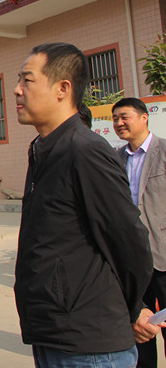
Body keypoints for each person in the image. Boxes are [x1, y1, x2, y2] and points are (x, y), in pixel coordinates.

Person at [13, 42, 152, 367]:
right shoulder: (45, 150)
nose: (17, 90)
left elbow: (128, 240)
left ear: (62, 88)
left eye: (27, 80)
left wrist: (133, 307)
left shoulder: (85, 151)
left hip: (89, 343)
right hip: (53, 331)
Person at [112, 97, 166, 368]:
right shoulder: (115, 158)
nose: (119, 123)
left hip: (164, 255)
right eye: (115, 119)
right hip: (132, 260)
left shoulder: (164, 151)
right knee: (140, 329)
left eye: (125, 117)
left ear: (144, 118)